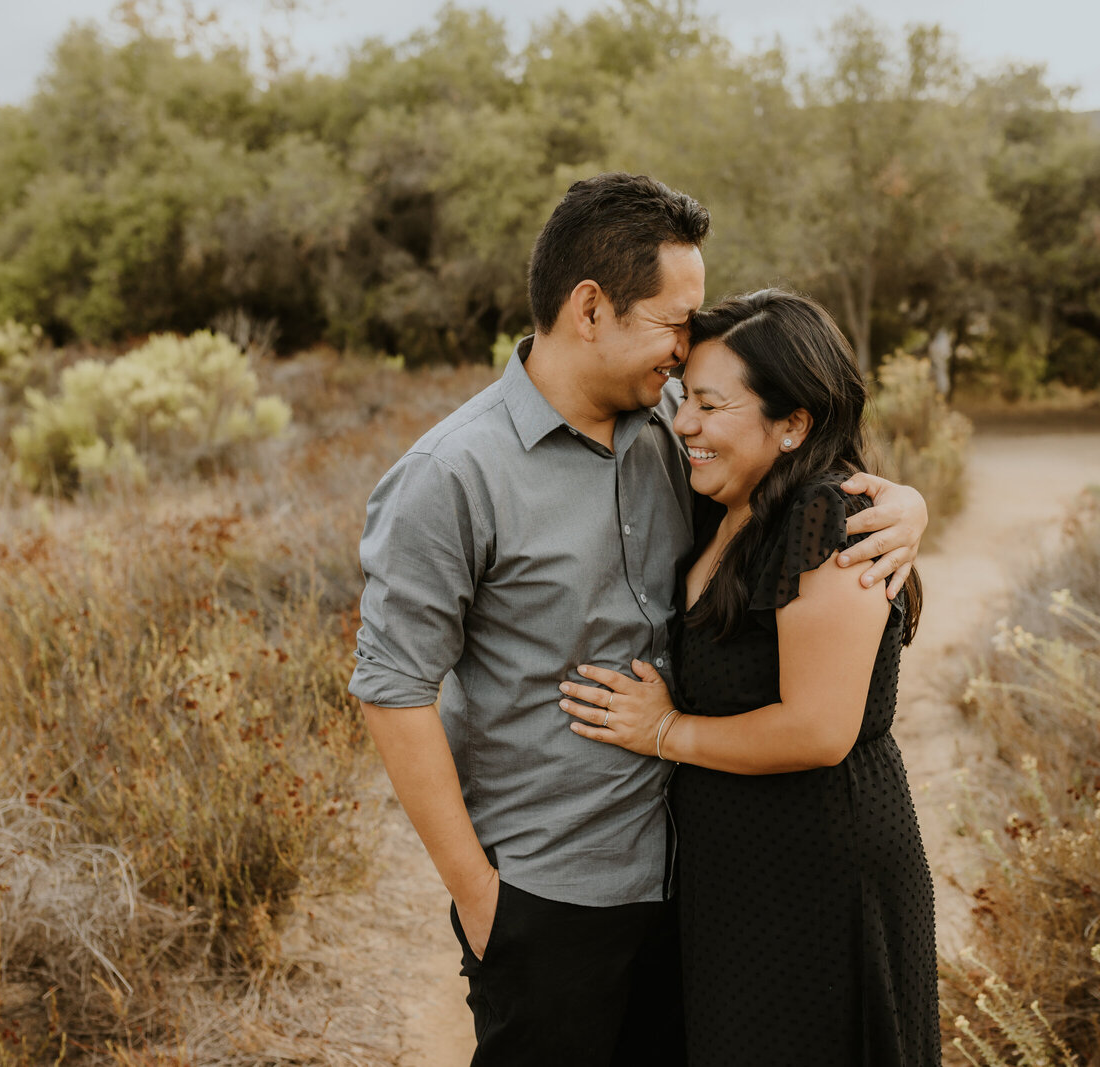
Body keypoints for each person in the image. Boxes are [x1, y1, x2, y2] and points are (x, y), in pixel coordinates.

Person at [349, 175, 929, 1067]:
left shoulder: (677, 427)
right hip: (553, 895)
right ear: (591, 309)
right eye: (674, 319)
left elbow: (794, 482)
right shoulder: (451, 475)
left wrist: (902, 503)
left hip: (703, 885)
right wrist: (480, 897)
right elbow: (392, 690)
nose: (688, 345)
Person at [558, 289, 941, 1066]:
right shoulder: (720, 502)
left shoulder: (825, 518)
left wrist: (663, 730)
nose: (685, 423)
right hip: (732, 862)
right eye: (682, 399)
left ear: (793, 422)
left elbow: (819, 728)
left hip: (817, 865)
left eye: (708, 404)